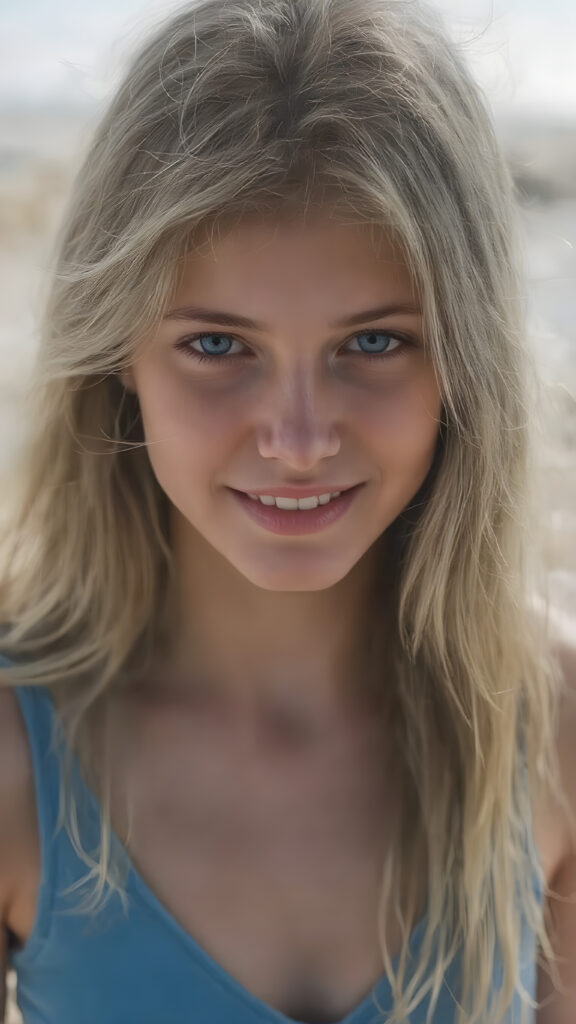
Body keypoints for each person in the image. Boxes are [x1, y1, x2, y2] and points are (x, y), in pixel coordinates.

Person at [0, 0, 575, 1021]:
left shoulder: (553, 732)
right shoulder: (14, 746)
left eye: (375, 342)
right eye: (219, 345)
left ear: (463, 361)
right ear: (119, 356)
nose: (300, 438)